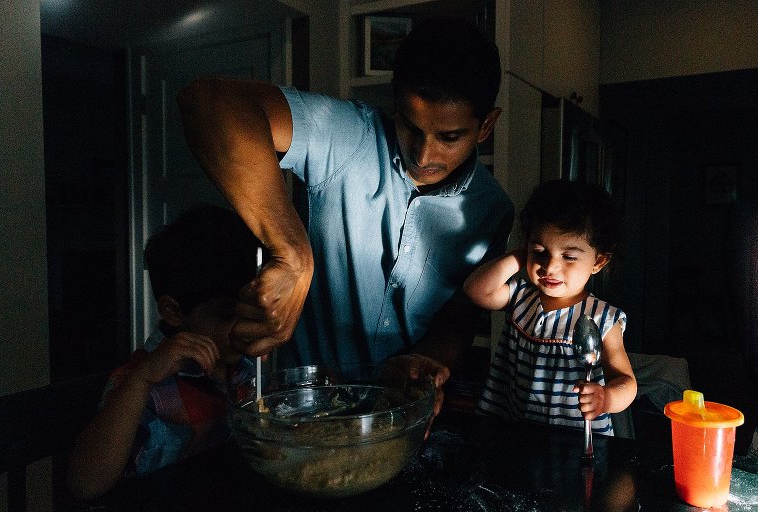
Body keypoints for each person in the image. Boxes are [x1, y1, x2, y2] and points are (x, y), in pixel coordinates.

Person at [176, 18, 514, 391]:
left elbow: (457, 321)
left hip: (399, 416)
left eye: (449, 137)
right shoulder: (349, 135)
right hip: (300, 409)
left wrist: (424, 366)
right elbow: (209, 102)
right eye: (410, 126)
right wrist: (292, 254)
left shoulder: (492, 210)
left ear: (486, 126)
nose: (423, 154)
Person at [67, 204, 260, 500]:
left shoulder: (242, 366)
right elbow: (85, 484)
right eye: (225, 315)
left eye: (249, 313)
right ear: (173, 311)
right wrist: (141, 380)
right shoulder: (139, 382)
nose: (243, 328)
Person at [464, 179, 637, 434]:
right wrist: (522, 255)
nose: (550, 266)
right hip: (513, 430)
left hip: (575, 439)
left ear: (597, 262)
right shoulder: (521, 297)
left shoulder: (602, 319)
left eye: (568, 256)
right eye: (540, 251)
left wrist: (606, 398)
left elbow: (626, 382)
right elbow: (476, 290)